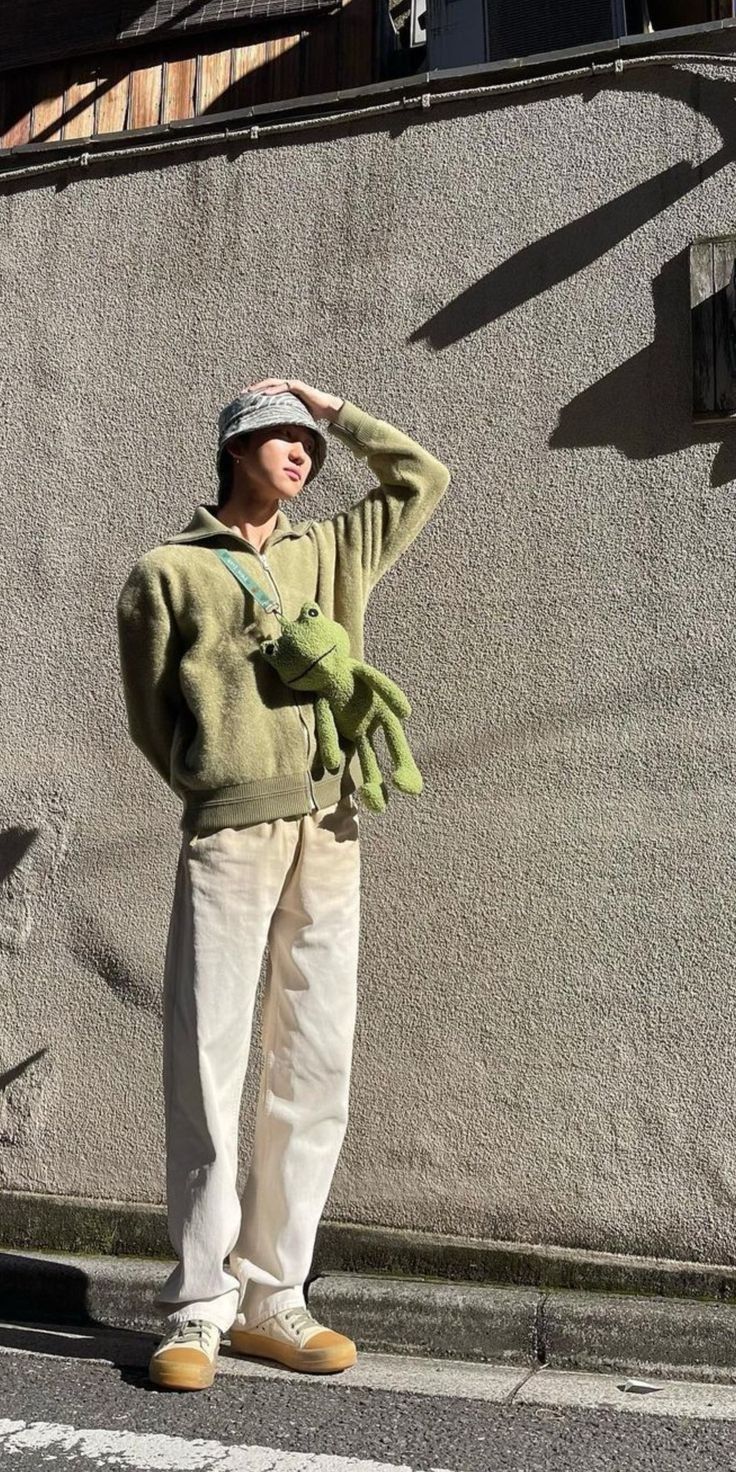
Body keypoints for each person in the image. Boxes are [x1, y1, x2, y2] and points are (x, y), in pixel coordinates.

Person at [116, 376, 451, 1392]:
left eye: (310, 442)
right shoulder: (166, 569)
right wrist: (217, 780)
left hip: (332, 821)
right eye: (282, 435)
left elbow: (419, 478)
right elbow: (151, 712)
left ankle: (275, 1295)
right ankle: (197, 1304)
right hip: (232, 826)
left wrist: (339, 408)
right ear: (234, 446)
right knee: (209, 1056)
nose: (301, 452)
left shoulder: (326, 550)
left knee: (312, 1056)